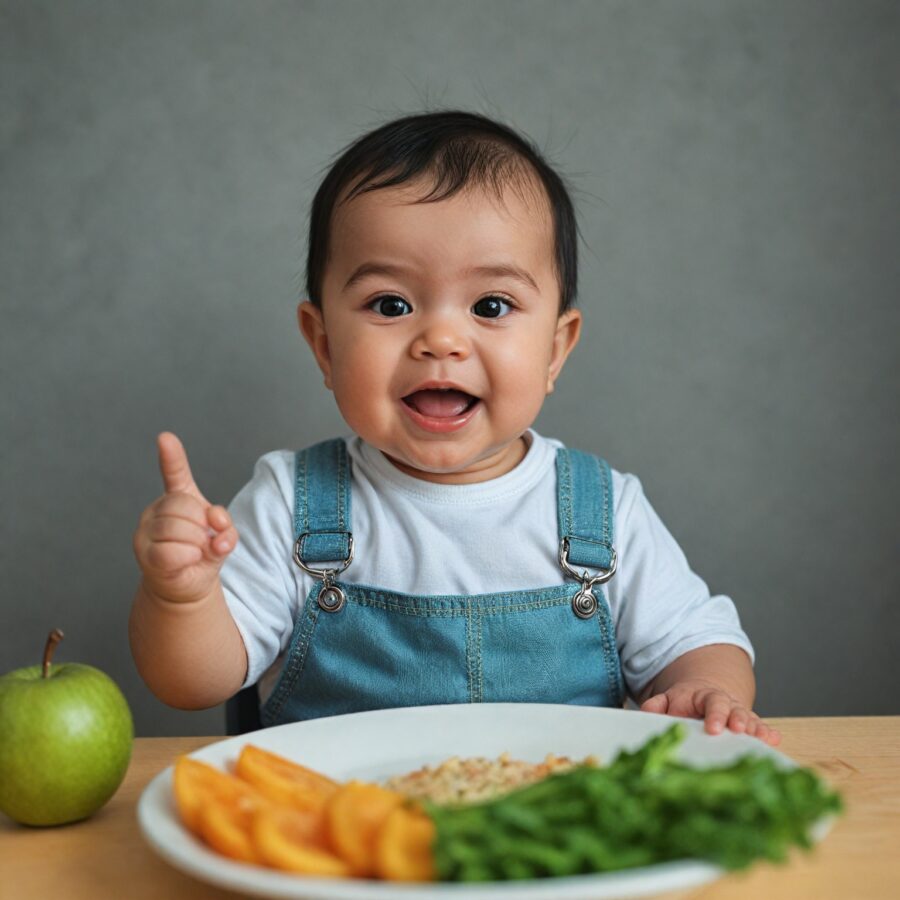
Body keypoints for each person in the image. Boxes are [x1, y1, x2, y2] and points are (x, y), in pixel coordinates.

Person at [130, 110, 780, 745]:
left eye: (490, 306)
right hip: (340, 835)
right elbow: (192, 682)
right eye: (392, 304)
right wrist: (183, 597)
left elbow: (699, 641)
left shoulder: (604, 513)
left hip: (547, 838)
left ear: (556, 349)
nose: (440, 339)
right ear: (324, 345)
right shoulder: (288, 506)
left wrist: (706, 688)